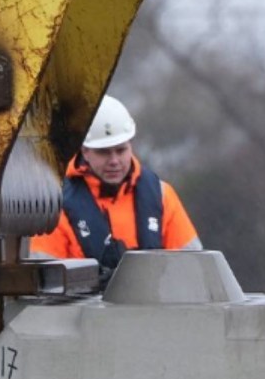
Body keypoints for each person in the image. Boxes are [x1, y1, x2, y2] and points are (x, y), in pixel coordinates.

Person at [29, 95, 201, 271]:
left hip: (155, 297)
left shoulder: (161, 195)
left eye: (121, 150)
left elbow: (193, 269)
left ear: (130, 146)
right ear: (84, 151)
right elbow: (47, 284)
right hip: (85, 299)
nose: (114, 161)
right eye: (103, 152)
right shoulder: (57, 206)